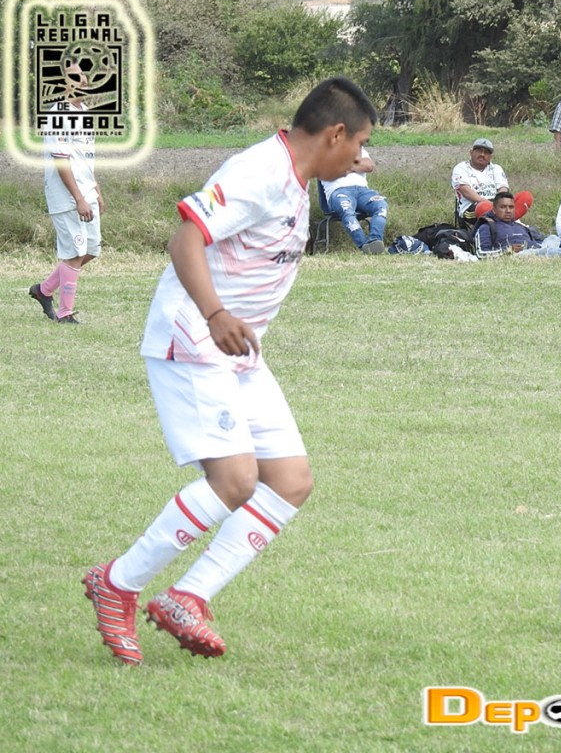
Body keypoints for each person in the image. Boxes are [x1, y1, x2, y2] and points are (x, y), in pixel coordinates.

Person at [81, 76, 377, 666]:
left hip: (238, 351)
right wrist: (215, 313)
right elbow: (185, 240)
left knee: (290, 480)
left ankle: (187, 596)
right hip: (194, 338)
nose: (362, 157)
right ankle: (117, 582)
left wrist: (231, 324)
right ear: (335, 133)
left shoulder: (297, 176)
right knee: (236, 480)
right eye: (361, 143)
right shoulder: (259, 173)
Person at [29, 61, 105, 324]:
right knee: (74, 252)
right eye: (74, 77)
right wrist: (79, 198)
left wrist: (95, 188)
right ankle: (65, 314)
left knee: (91, 249)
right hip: (66, 195)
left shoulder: (84, 112)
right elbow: (61, 160)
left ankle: (44, 290)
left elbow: (84, 156)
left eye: (83, 76)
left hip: (86, 191)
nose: (82, 80)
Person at [451, 138, 532, 230]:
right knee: (484, 207)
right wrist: (491, 205)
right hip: (472, 206)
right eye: (479, 151)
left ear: (490, 157)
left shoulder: (496, 168)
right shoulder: (461, 168)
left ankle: (506, 223)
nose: (482, 154)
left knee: (525, 196)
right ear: (471, 152)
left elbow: (503, 189)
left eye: (486, 152)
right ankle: (511, 224)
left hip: (496, 203)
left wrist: (500, 204)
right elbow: (465, 191)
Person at [321, 146, 388, 254]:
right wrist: (356, 164)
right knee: (347, 210)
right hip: (339, 191)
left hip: (363, 191)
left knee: (381, 205)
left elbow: (369, 166)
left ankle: (375, 240)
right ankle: (364, 246)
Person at [474, 191, 555, 255]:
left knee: (554, 239)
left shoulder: (520, 226)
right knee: (556, 251)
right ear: (494, 210)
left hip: (538, 249)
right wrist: (507, 251)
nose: (508, 211)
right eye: (503, 207)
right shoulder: (487, 227)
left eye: (511, 207)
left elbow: (539, 242)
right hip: (523, 254)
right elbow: (481, 253)